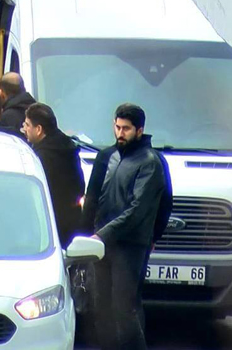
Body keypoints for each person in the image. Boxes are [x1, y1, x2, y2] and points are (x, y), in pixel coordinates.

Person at [83, 104, 168, 350]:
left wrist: (102, 235)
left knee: (124, 308)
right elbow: (94, 198)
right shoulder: (110, 156)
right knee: (100, 306)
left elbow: (138, 210)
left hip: (129, 245)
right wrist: (89, 233)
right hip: (102, 242)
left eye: (126, 129)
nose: (120, 133)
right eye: (117, 127)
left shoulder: (150, 162)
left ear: (139, 130)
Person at [22, 103, 85, 247]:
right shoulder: (69, 149)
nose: (24, 129)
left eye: (27, 125)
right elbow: (80, 186)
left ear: (39, 130)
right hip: (72, 224)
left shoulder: (40, 158)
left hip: (48, 227)